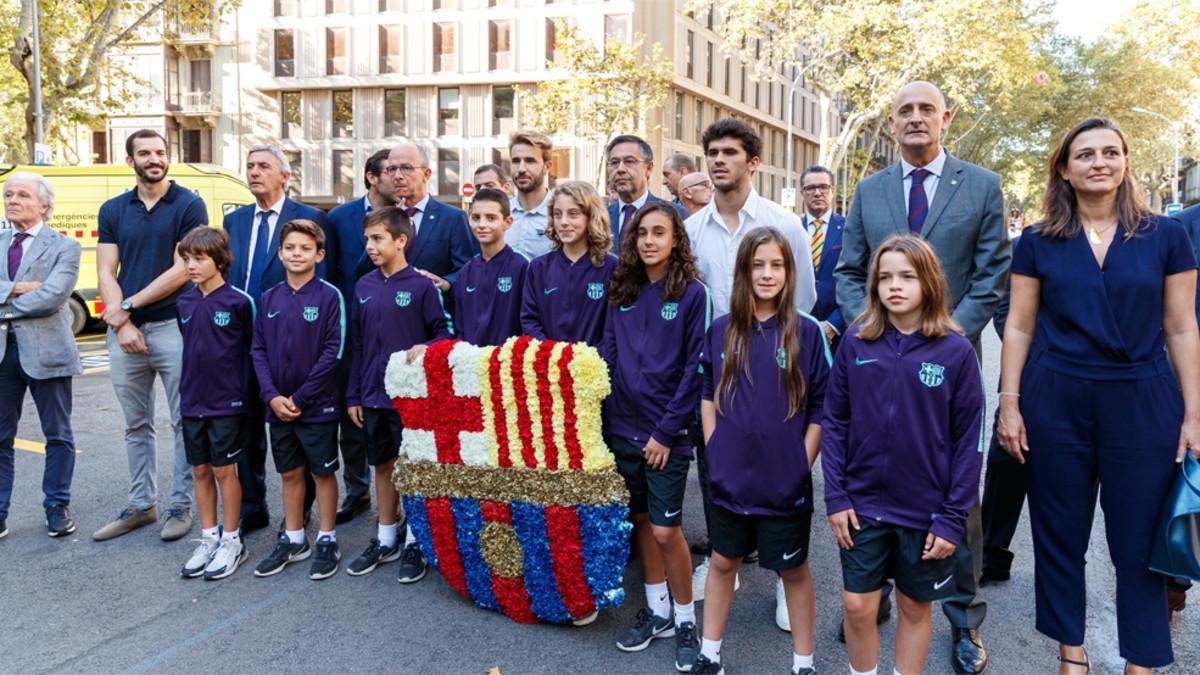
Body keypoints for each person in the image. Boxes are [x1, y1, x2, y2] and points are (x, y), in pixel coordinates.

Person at [997, 117, 1200, 675]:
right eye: (1085, 154)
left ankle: (1143, 659)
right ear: (1064, 168)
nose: (1099, 162)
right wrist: (1009, 403)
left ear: (1126, 162)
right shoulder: (1038, 240)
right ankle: (1071, 653)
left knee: (1139, 536)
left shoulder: (1166, 235)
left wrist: (1194, 414)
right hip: (1055, 398)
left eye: (1111, 152)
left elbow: (1182, 328)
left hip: (1142, 399)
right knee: (1058, 531)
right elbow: (1019, 325)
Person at [833, 81, 1008, 673]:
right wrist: (875, 326)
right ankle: (874, 595)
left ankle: (964, 619)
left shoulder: (981, 185)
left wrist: (943, 329)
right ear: (890, 123)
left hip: (948, 357)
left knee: (958, 496)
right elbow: (850, 268)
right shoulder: (869, 189)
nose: (915, 118)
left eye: (925, 109)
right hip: (879, 353)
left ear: (944, 119)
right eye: (904, 110)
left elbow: (992, 274)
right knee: (875, 464)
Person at [823, 234, 984, 675]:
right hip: (861, 505)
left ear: (929, 282)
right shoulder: (857, 341)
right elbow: (834, 422)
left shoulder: (956, 352)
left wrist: (953, 517)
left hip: (926, 510)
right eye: (885, 277)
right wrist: (836, 496)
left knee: (915, 607)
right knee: (858, 606)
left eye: (907, 277)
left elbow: (970, 443)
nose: (895, 286)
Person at [692, 228, 830, 675]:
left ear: (789, 272)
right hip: (728, 477)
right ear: (743, 271)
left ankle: (803, 663)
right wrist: (713, 446)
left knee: (793, 571)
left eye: (777, 265)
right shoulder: (721, 329)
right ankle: (709, 655)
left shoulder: (806, 332)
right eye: (757, 265)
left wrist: (800, 461)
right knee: (723, 561)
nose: (767, 274)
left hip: (783, 481)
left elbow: (823, 406)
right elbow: (707, 392)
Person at [603, 202, 708, 672]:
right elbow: (608, 349)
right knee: (642, 520)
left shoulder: (692, 295)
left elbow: (694, 369)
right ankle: (658, 609)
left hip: (667, 434)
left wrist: (666, 432)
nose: (648, 240)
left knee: (667, 529)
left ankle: (686, 618)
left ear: (675, 240)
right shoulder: (621, 289)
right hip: (622, 428)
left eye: (659, 232)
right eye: (641, 233)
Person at [93, 129, 206, 543]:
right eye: (145, 153)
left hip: (174, 325)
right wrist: (122, 324)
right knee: (135, 424)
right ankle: (142, 505)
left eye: (160, 152)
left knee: (183, 420)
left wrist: (130, 308)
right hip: (126, 332)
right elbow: (106, 269)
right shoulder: (113, 208)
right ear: (131, 160)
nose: (154, 158)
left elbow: (184, 268)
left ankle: (180, 505)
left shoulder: (190, 204)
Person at [224, 145, 332, 535]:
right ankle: (253, 508)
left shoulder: (311, 218)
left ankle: (299, 515)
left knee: (294, 429)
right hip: (240, 340)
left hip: (293, 343)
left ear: (285, 176)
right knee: (246, 428)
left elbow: (326, 283)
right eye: (250, 165)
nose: (254, 172)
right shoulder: (234, 222)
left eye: (264, 166)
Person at [345, 206, 451, 579]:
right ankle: (386, 536)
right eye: (368, 239)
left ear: (400, 241)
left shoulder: (421, 286)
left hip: (411, 400)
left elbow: (445, 332)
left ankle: (415, 542)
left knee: (414, 468)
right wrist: (354, 395)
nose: (370, 247)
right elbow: (356, 344)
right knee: (384, 465)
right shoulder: (363, 286)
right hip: (372, 396)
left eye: (378, 239)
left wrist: (430, 348)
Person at [251, 220, 346, 580]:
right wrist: (272, 396)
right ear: (279, 253)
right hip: (278, 408)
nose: (296, 254)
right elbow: (258, 350)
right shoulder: (269, 298)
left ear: (319, 255)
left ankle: (326, 536)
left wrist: (302, 397)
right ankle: (294, 537)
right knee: (289, 472)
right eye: (290, 248)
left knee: (322, 472)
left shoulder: (328, 296)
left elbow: (332, 352)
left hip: (316, 406)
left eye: (305, 249)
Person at [0, 173, 81, 540]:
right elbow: (38, 295)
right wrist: (16, 288)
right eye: (8, 194)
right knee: (1, 437)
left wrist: (2, 305)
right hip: (4, 354)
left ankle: (57, 507)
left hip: (47, 352)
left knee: (58, 435)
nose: (12, 200)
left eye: (22, 195)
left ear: (44, 205)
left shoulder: (65, 247)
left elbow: (53, 296)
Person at [176, 227, 252, 580]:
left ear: (219, 260)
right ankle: (209, 537)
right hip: (192, 401)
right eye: (187, 258)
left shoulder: (239, 302)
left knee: (225, 471)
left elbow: (252, 354)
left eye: (199, 258)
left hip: (228, 403)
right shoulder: (185, 302)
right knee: (201, 470)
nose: (191, 265)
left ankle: (232, 539)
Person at [685, 119, 817, 318]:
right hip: (708, 346)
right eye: (712, 153)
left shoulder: (785, 224)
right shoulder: (690, 230)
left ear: (753, 163)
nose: (718, 160)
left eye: (730, 152)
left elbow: (802, 300)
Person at [327, 148, 396, 526]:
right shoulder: (339, 218)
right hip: (350, 328)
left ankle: (397, 499)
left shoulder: (405, 219)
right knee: (350, 415)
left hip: (395, 331)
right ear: (372, 177)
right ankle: (357, 491)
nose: (397, 177)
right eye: (390, 170)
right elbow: (332, 274)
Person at [521, 181, 617, 346]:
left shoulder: (611, 267)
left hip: (595, 367)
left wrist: (592, 361)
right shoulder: (539, 267)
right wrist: (551, 354)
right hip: (548, 365)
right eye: (558, 214)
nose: (563, 221)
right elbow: (529, 320)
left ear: (591, 216)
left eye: (573, 214)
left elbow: (614, 329)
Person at [426, 189, 527, 346]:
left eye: (491, 218)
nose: (482, 225)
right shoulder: (466, 271)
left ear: (507, 222)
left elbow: (527, 321)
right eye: (476, 218)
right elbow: (459, 325)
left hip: (507, 363)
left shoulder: (521, 266)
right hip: (471, 363)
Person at [389, 142, 476, 283]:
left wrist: (445, 283)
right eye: (392, 169)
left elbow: (465, 270)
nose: (397, 176)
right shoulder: (384, 219)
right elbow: (365, 270)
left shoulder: (452, 218)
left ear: (426, 174)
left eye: (406, 168)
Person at [606, 135, 688, 249]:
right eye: (614, 162)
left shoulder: (676, 214)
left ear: (649, 168)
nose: (620, 169)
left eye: (629, 161)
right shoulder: (600, 218)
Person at [799, 166, 846, 348]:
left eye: (824, 187)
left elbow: (860, 280)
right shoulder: (792, 229)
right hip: (798, 328)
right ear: (802, 193)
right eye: (810, 188)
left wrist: (834, 323)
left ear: (832, 191)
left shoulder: (850, 229)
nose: (817, 193)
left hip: (838, 331)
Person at [508, 131, 555, 260]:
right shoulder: (500, 214)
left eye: (530, 161)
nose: (521, 168)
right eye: (516, 161)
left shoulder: (560, 215)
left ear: (547, 166)